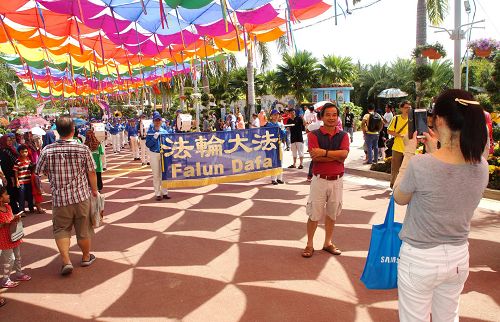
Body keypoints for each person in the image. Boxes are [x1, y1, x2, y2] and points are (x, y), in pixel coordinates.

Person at [393, 89, 489, 322]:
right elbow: (449, 181)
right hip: (457, 257)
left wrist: (408, 151)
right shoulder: (481, 166)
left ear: (441, 120)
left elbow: (399, 196)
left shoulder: (421, 165)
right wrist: (434, 151)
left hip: (420, 259)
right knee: (448, 318)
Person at [36, 116, 98, 276]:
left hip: (60, 198)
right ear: (73, 130)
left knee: (61, 229)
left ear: (57, 131)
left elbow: (39, 171)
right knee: (83, 229)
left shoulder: (47, 150)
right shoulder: (82, 149)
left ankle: (66, 260)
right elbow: (92, 171)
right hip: (81, 196)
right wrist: (94, 190)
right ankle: (85, 257)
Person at [302, 103, 349, 258]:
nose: (331, 118)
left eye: (334, 114)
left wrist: (324, 153)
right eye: (328, 114)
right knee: (314, 213)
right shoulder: (313, 135)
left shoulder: (343, 135)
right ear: (321, 117)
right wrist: (335, 155)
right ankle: (309, 244)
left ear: (337, 117)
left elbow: (344, 156)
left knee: (332, 214)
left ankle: (328, 243)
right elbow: (315, 157)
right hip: (319, 180)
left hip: (337, 181)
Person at [0, 186, 32, 290]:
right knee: (9, 259)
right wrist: (6, 223)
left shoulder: (8, 207)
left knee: (18, 256)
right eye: (6, 194)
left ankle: (19, 273)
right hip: (4, 239)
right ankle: (5, 279)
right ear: (0, 198)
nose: (8, 195)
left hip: (13, 236)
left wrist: (15, 218)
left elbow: (10, 217)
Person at [146, 112, 172, 201]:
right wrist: (154, 138)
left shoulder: (164, 131)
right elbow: (148, 144)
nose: (157, 122)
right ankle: (157, 193)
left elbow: (168, 143)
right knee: (156, 174)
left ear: (161, 121)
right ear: (153, 121)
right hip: (154, 154)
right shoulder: (150, 132)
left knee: (164, 174)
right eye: (156, 120)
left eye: (159, 120)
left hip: (163, 154)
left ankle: (165, 192)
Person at [387, 101, 410, 188]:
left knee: (407, 170)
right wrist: (399, 135)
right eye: (406, 107)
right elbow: (389, 131)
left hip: (409, 149)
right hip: (397, 148)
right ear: (401, 108)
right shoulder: (396, 118)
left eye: (409, 108)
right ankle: (393, 185)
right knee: (395, 169)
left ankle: (404, 187)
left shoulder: (412, 119)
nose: (408, 109)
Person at [265, 110, 287, 185]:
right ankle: (273, 179)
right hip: (272, 145)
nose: (276, 116)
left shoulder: (280, 124)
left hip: (279, 144)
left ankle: (279, 178)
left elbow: (284, 134)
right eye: (274, 115)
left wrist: (281, 128)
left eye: (277, 114)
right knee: (273, 161)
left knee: (280, 161)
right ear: (271, 116)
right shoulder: (268, 124)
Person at [0, 135, 20, 214]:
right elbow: (5, 166)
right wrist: (10, 177)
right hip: (9, 176)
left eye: (10, 140)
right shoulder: (3, 151)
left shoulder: (12, 150)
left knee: (14, 192)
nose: (10, 142)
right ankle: (14, 211)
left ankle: (14, 210)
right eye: (7, 140)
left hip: (15, 174)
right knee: (11, 193)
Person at [13, 145, 34, 214]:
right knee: (21, 196)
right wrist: (17, 181)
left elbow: (31, 170)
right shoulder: (17, 161)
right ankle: (21, 211)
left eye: (26, 151)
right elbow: (15, 171)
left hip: (29, 181)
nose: (24, 153)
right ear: (19, 152)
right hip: (21, 182)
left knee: (30, 195)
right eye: (22, 152)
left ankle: (31, 208)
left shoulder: (29, 160)